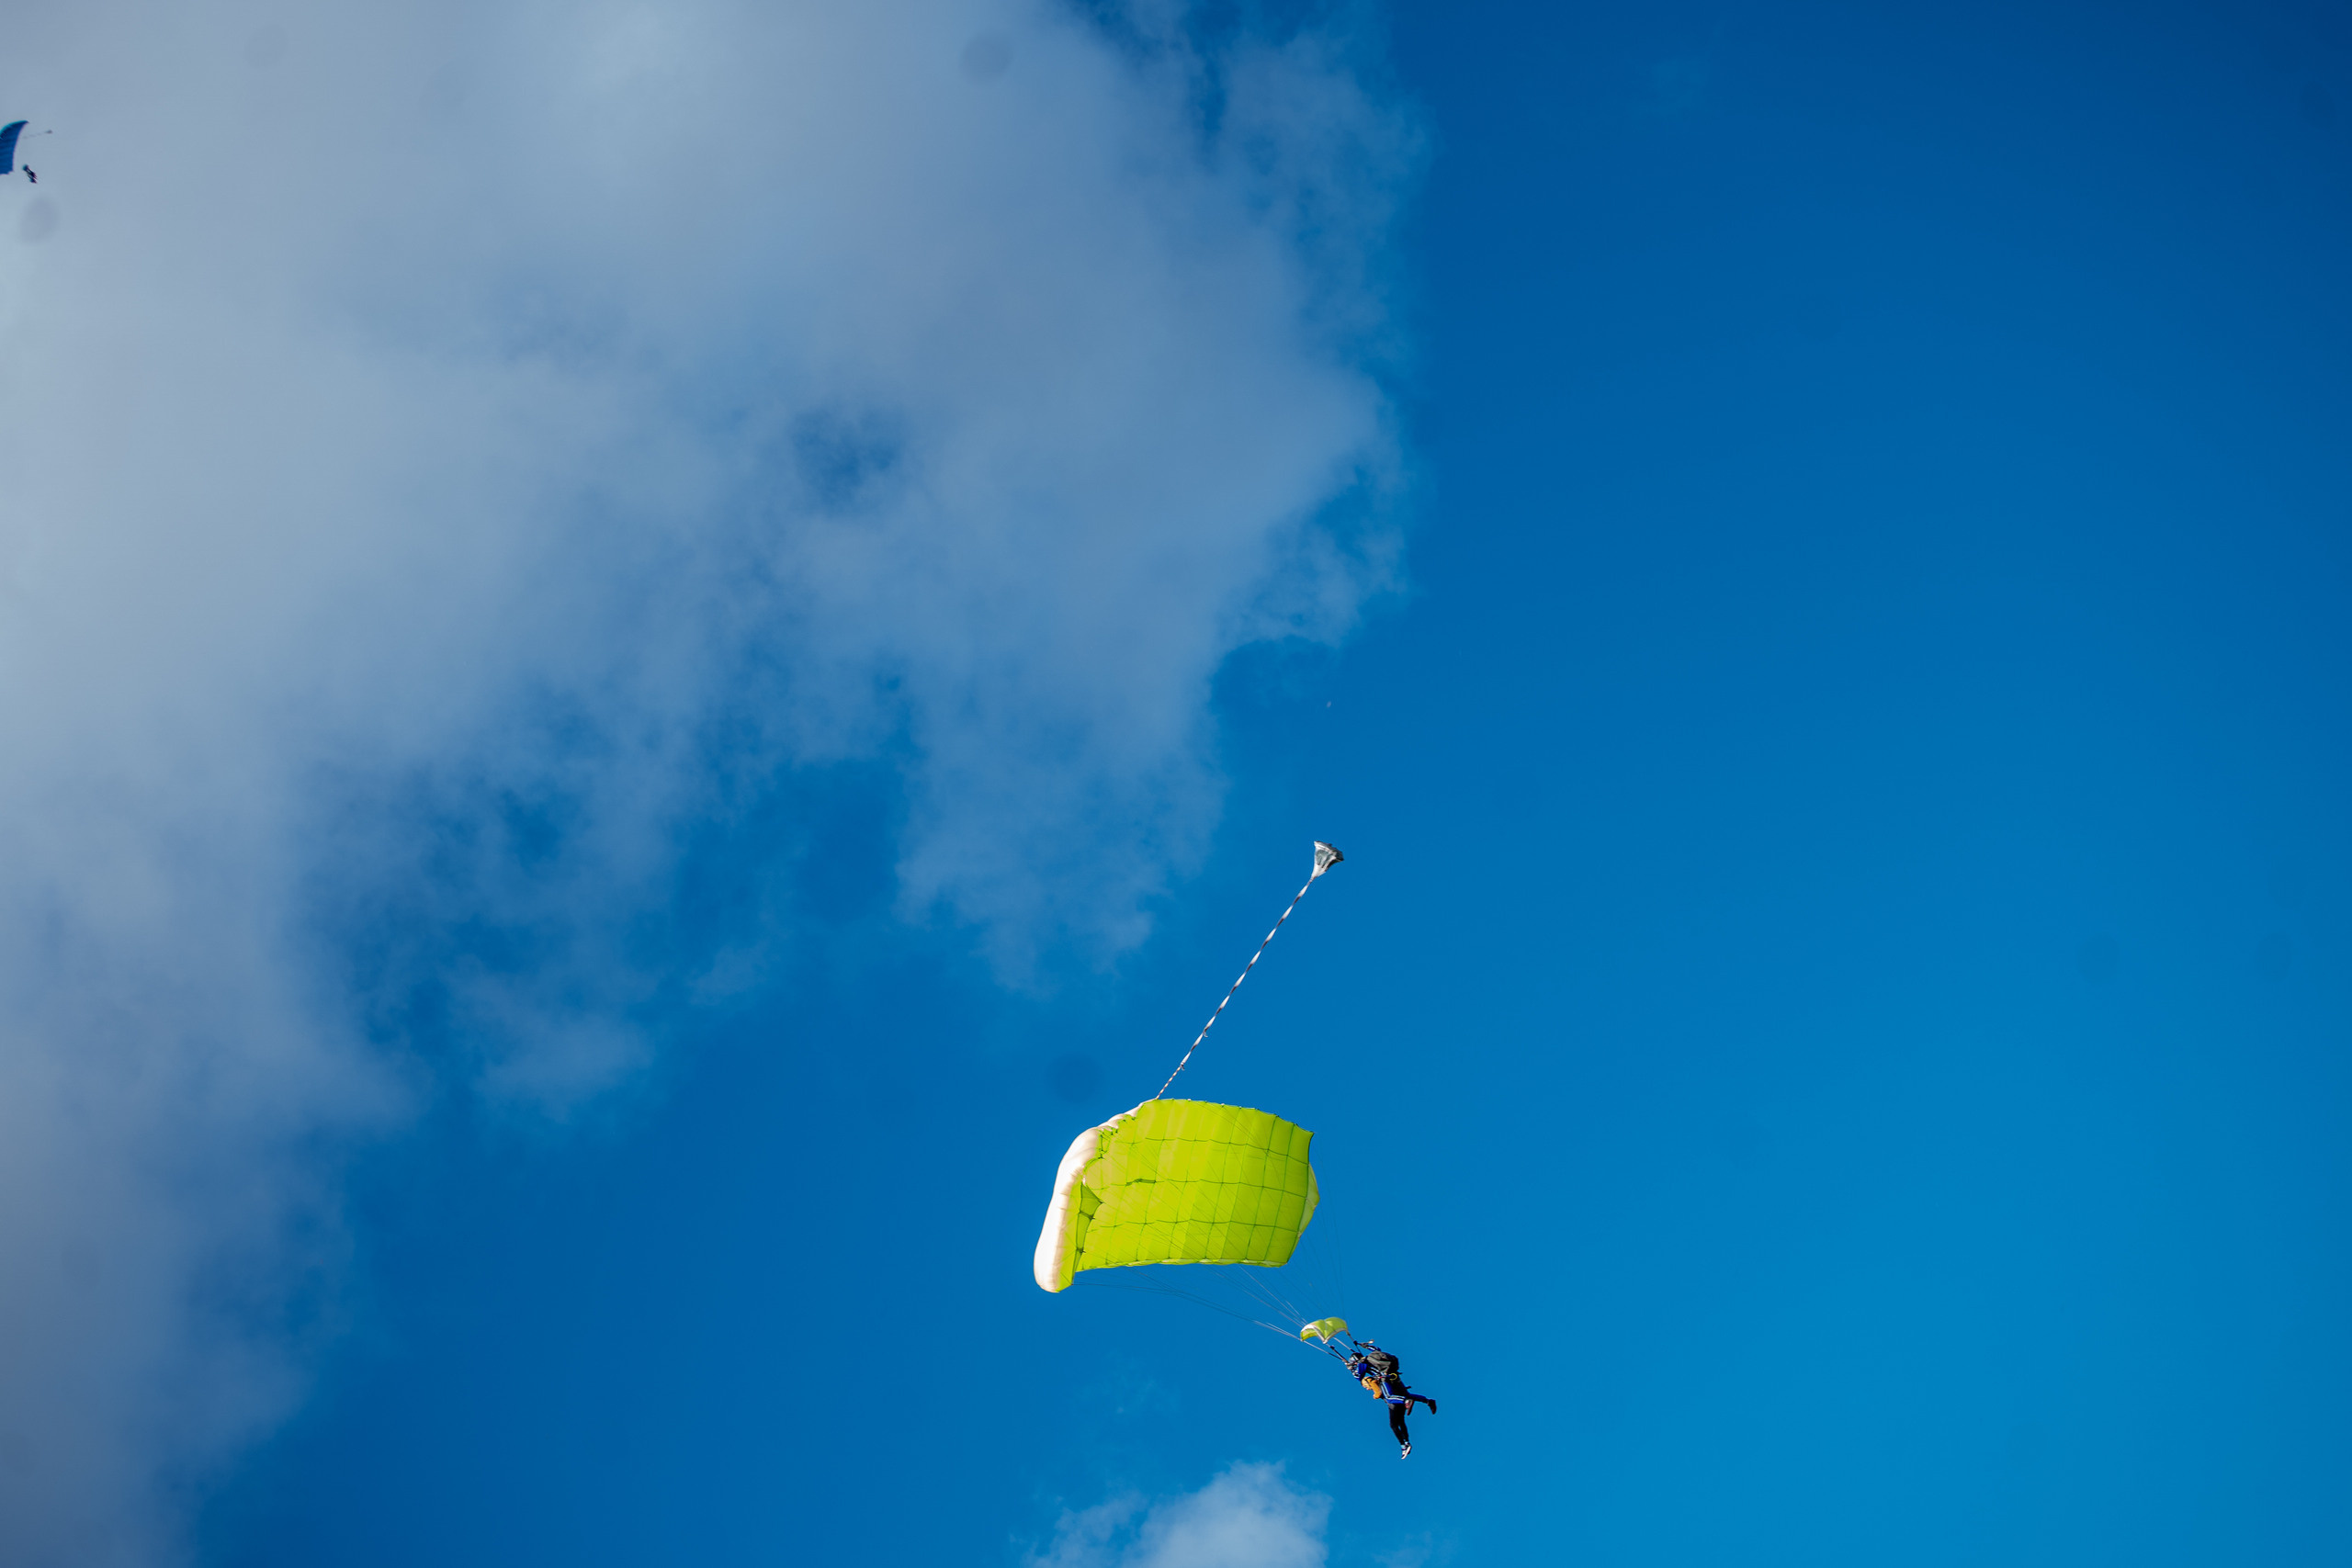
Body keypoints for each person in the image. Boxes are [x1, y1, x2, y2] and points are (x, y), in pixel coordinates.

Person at [1345, 1342, 1435, 1457]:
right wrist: (1365, 1345)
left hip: (1385, 1380)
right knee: (1401, 1416)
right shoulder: (1372, 1356)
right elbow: (1377, 1348)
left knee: (1390, 1399)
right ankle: (1427, 1402)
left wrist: (1351, 1369)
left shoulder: (1362, 1363)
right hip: (1395, 1377)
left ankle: (1405, 1404)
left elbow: (1358, 1376)